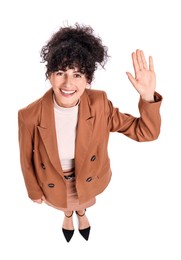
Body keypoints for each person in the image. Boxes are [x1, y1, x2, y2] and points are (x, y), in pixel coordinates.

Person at [18, 23, 162, 242]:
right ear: (49, 75)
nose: (68, 83)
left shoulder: (99, 104)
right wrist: (34, 192)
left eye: (77, 74)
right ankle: (68, 215)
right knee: (64, 204)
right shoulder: (28, 115)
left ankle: (82, 213)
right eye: (60, 73)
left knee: (82, 202)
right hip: (54, 181)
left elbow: (146, 132)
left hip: (88, 178)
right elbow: (26, 159)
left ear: (88, 80)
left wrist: (147, 97)